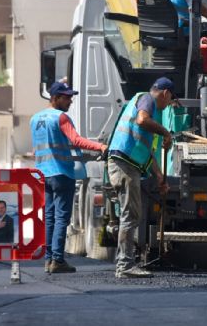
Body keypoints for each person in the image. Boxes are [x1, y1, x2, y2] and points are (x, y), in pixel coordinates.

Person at [30, 81, 107, 274]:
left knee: (49, 217)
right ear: (55, 98)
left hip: (41, 174)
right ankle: (57, 259)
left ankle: (48, 259)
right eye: (66, 97)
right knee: (62, 218)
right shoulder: (61, 117)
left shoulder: (35, 118)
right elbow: (76, 140)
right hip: (61, 172)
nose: (70, 101)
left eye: (71, 97)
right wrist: (100, 147)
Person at [108, 77, 175, 278]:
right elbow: (142, 120)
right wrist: (165, 133)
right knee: (131, 215)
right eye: (170, 100)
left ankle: (125, 263)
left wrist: (159, 176)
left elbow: (145, 151)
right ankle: (125, 266)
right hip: (124, 164)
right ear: (165, 93)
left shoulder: (146, 106)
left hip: (127, 164)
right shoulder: (147, 99)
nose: (168, 105)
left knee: (131, 214)